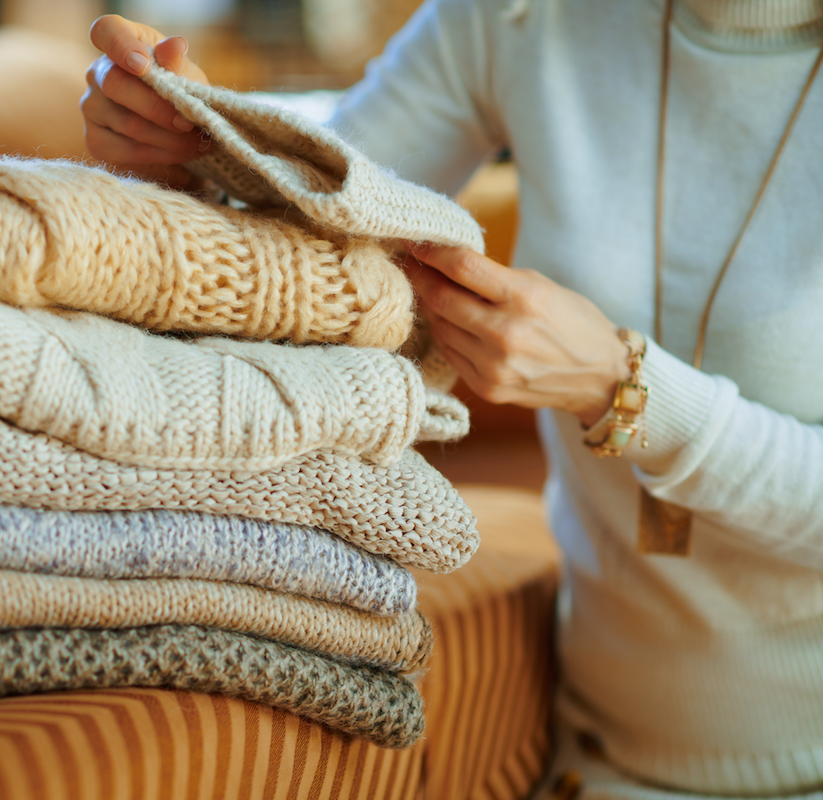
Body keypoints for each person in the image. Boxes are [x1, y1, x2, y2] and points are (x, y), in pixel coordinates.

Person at [80, 2, 823, 797]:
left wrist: (623, 390)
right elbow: (319, 216)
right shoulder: (518, 17)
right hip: (589, 765)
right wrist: (189, 153)